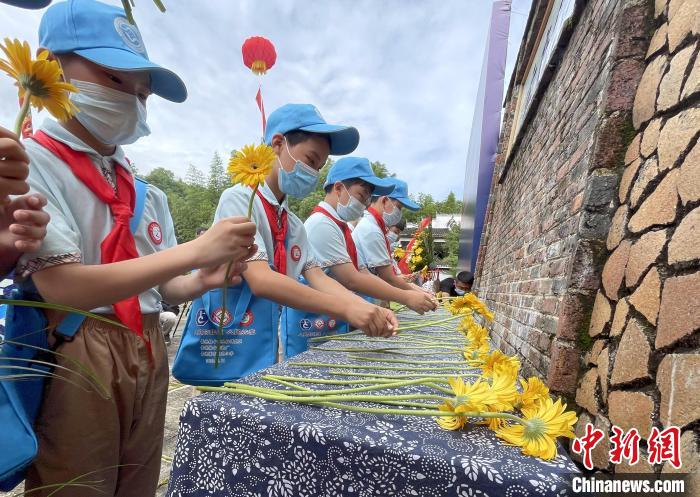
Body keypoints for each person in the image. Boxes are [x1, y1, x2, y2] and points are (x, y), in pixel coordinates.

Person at [16, 2, 257, 495]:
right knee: (77, 482)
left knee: (138, 479)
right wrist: (195, 250)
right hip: (79, 344)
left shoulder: (147, 194)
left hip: (148, 343)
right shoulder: (29, 162)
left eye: (142, 93)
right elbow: (62, 287)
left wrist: (204, 278)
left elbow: (165, 284)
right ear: (49, 64)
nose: (131, 99)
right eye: (113, 77)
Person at [213, 104, 397, 342]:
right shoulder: (240, 199)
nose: (313, 173)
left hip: (262, 340)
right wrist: (347, 309)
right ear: (278, 144)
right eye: (311, 160)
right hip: (229, 335)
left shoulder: (293, 224)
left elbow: (318, 277)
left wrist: (368, 308)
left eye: (319, 168)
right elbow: (261, 280)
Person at [304, 157, 436, 316]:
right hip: (310, 320)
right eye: (361, 196)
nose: (364, 204)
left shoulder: (340, 226)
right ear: (338, 188)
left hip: (332, 316)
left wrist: (411, 295)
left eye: (367, 198)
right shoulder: (321, 224)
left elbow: (363, 273)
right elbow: (351, 279)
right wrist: (406, 297)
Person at [352, 178, 426, 294]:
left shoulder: (375, 227)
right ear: (385, 200)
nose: (399, 213)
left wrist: (417, 290)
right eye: (399, 207)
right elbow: (388, 278)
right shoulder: (371, 230)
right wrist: (418, 294)